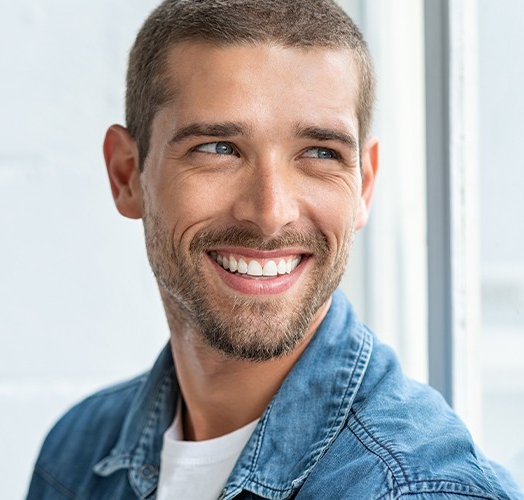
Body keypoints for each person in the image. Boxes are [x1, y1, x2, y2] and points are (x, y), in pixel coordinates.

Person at [27, 1, 523, 498]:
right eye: (218, 148)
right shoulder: (76, 455)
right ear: (126, 175)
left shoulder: (419, 490)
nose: (270, 212)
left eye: (320, 154)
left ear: (363, 186)